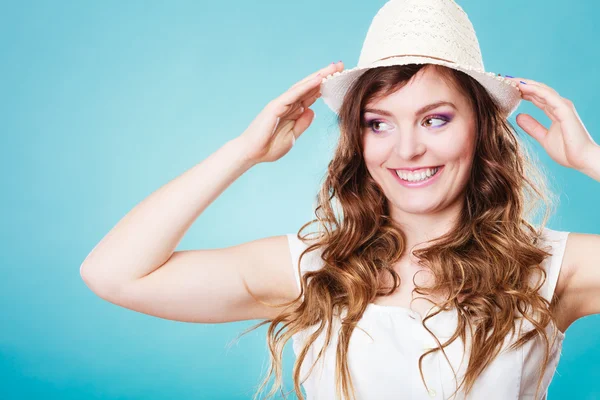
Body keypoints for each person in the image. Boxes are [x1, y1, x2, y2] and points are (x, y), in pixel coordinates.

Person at [80, 0, 600, 399]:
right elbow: (114, 273)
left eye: (435, 119)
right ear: (359, 138)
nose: (408, 149)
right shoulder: (315, 270)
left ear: (482, 130)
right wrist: (243, 152)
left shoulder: (552, 269)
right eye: (379, 123)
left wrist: (591, 159)